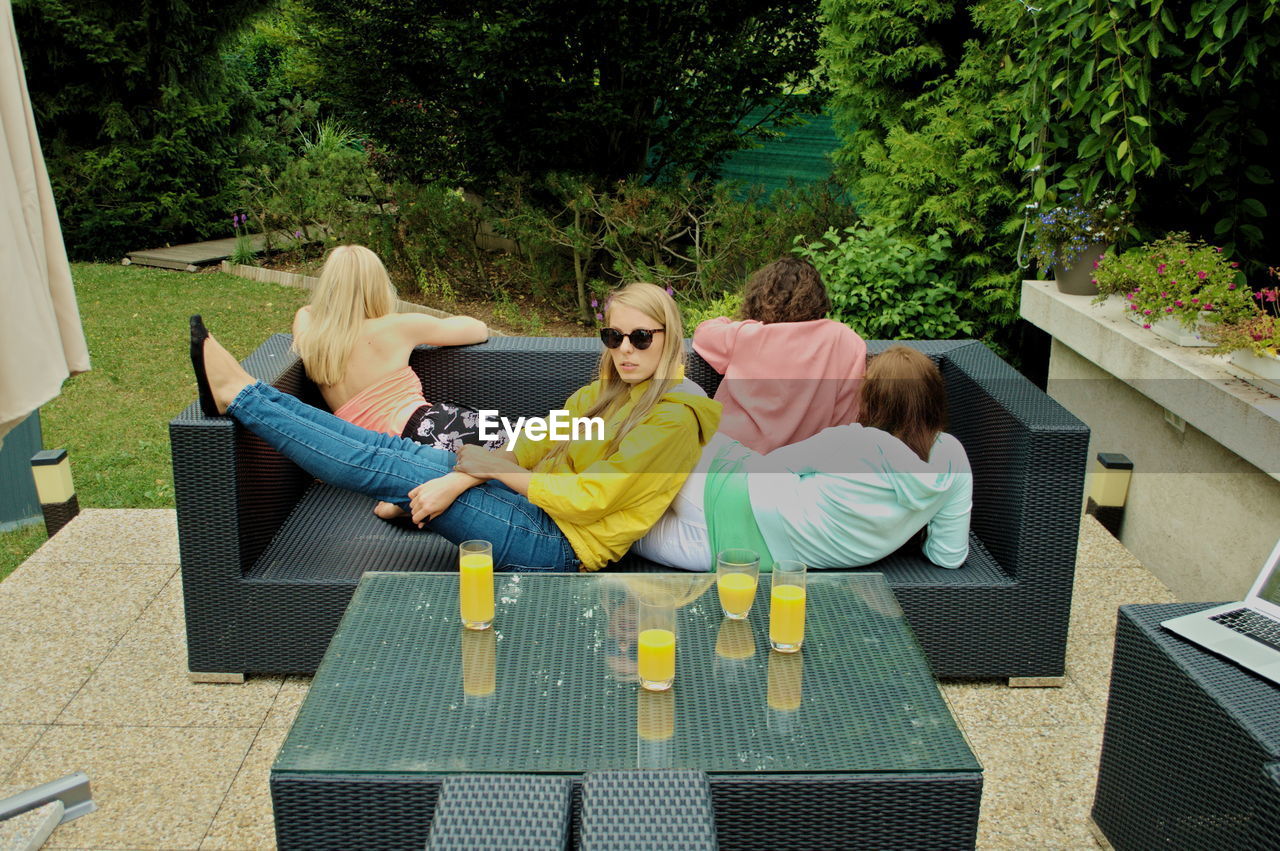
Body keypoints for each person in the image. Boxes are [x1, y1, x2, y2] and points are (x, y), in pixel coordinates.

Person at [190, 282, 721, 572]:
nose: (625, 349)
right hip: (534, 509)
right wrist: (464, 477)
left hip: (560, 544)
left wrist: (487, 469)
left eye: (640, 338)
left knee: (385, 464)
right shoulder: (612, 393)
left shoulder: (672, 418)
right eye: (614, 336)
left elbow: (594, 497)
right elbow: (541, 441)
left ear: (669, 338)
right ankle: (243, 393)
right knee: (385, 451)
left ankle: (241, 395)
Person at [631, 346, 971, 572]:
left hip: (723, 490)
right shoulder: (953, 463)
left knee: (660, 433)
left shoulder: (853, 441)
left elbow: (770, 467)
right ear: (934, 400)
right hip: (735, 556)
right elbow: (948, 556)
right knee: (627, 532)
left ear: (872, 402)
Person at [291, 244, 499, 452]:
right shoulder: (396, 327)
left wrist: (335, 306)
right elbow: (478, 329)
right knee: (526, 439)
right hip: (430, 429)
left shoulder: (312, 338)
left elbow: (307, 312)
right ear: (379, 286)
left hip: (376, 452)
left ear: (328, 287)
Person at [693, 256, 866, 455]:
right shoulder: (847, 340)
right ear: (817, 298)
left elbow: (703, 333)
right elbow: (847, 417)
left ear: (760, 297)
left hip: (734, 460)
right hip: (809, 464)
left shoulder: (746, 335)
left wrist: (736, 323)